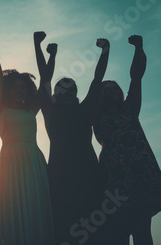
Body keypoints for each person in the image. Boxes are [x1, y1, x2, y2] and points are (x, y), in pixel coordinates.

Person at [34, 31, 109, 245]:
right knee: (63, 227)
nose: (67, 92)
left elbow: (97, 79)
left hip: (89, 173)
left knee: (95, 227)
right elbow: (45, 78)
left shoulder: (84, 110)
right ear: (56, 93)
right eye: (62, 89)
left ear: (76, 92)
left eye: (71, 89)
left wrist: (105, 50)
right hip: (59, 174)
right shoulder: (50, 111)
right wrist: (40, 47)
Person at [93, 35, 161, 245]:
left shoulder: (130, 109)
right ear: (100, 96)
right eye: (108, 89)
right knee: (117, 234)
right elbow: (96, 80)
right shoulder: (96, 115)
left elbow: (137, 76)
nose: (113, 90)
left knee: (143, 233)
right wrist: (105, 51)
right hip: (115, 181)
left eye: (115, 88)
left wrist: (138, 47)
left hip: (141, 178)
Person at [0, 63, 54, 244]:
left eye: (23, 88)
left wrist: (48, 53)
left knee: (34, 205)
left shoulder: (30, 109)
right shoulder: (0, 109)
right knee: (12, 206)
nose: (19, 91)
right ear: (7, 90)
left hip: (33, 161)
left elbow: (45, 82)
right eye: (15, 88)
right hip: (10, 162)